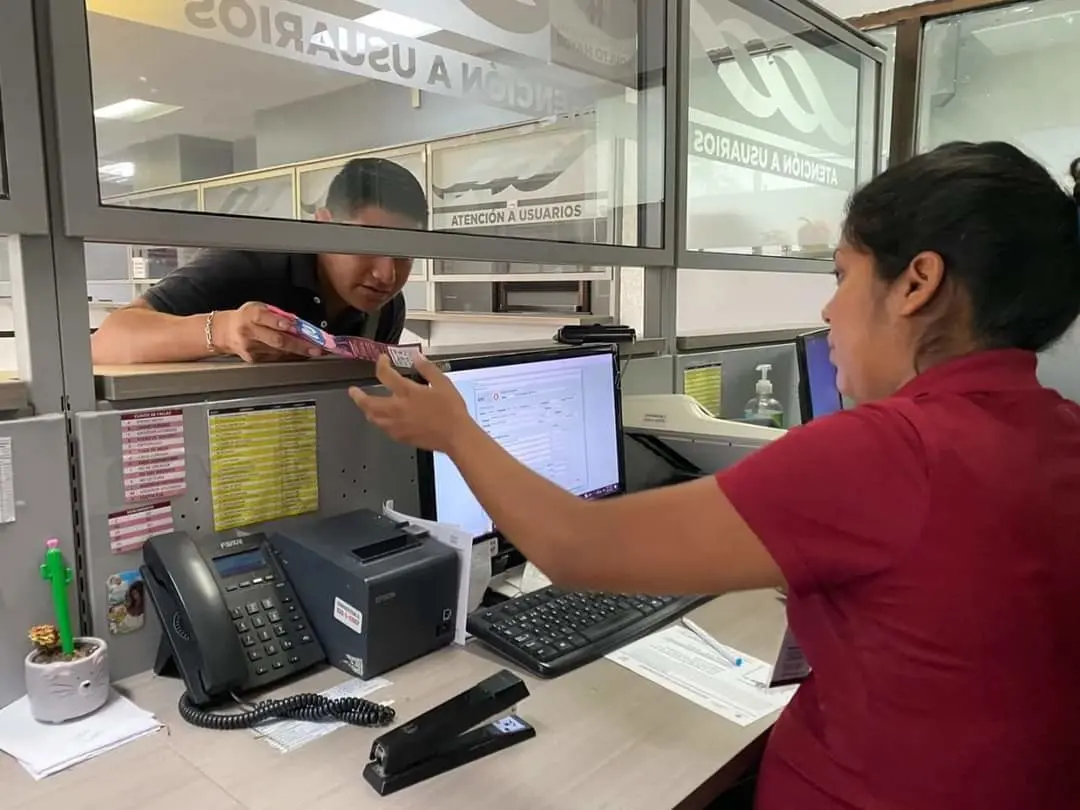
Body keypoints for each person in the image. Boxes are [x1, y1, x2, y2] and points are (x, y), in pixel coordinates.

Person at [348, 142, 1080, 809]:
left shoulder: (890, 450)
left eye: (841, 274)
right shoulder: (1058, 430)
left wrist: (456, 433)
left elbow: (576, 548)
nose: (827, 308)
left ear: (917, 282)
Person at [91, 157, 427, 364]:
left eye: (404, 252)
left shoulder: (386, 307)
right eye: (368, 243)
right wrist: (222, 331)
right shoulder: (247, 265)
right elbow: (107, 340)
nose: (386, 274)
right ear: (324, 225)